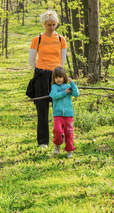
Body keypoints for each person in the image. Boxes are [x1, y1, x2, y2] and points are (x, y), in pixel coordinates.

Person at [27, 10, 67, 148]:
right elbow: (31, 59)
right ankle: (43, 141)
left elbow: (63, 59)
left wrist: (57, 73)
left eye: (54, 24)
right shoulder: (37, 39)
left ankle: (60, 137)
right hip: (40, 76)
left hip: (56, 76)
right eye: (49, 24)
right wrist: (41, 70)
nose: (52, 27)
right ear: (44, 24)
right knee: (42, 109)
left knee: (59, 108)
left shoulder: (61, 39)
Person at [49, 66, 79, 158]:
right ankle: (57, 144)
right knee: (57, 130)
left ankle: (69, 150)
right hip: (58, 114)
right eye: (56, 77)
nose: (58, 79)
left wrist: (72, 83)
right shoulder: (54, 87)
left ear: (64, 77)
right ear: (54, 78)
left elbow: (76, 94)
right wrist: (64, 93)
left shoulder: (68, 87)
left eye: (60, 77)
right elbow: (53, 95)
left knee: (69, 133)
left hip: (68, 114)